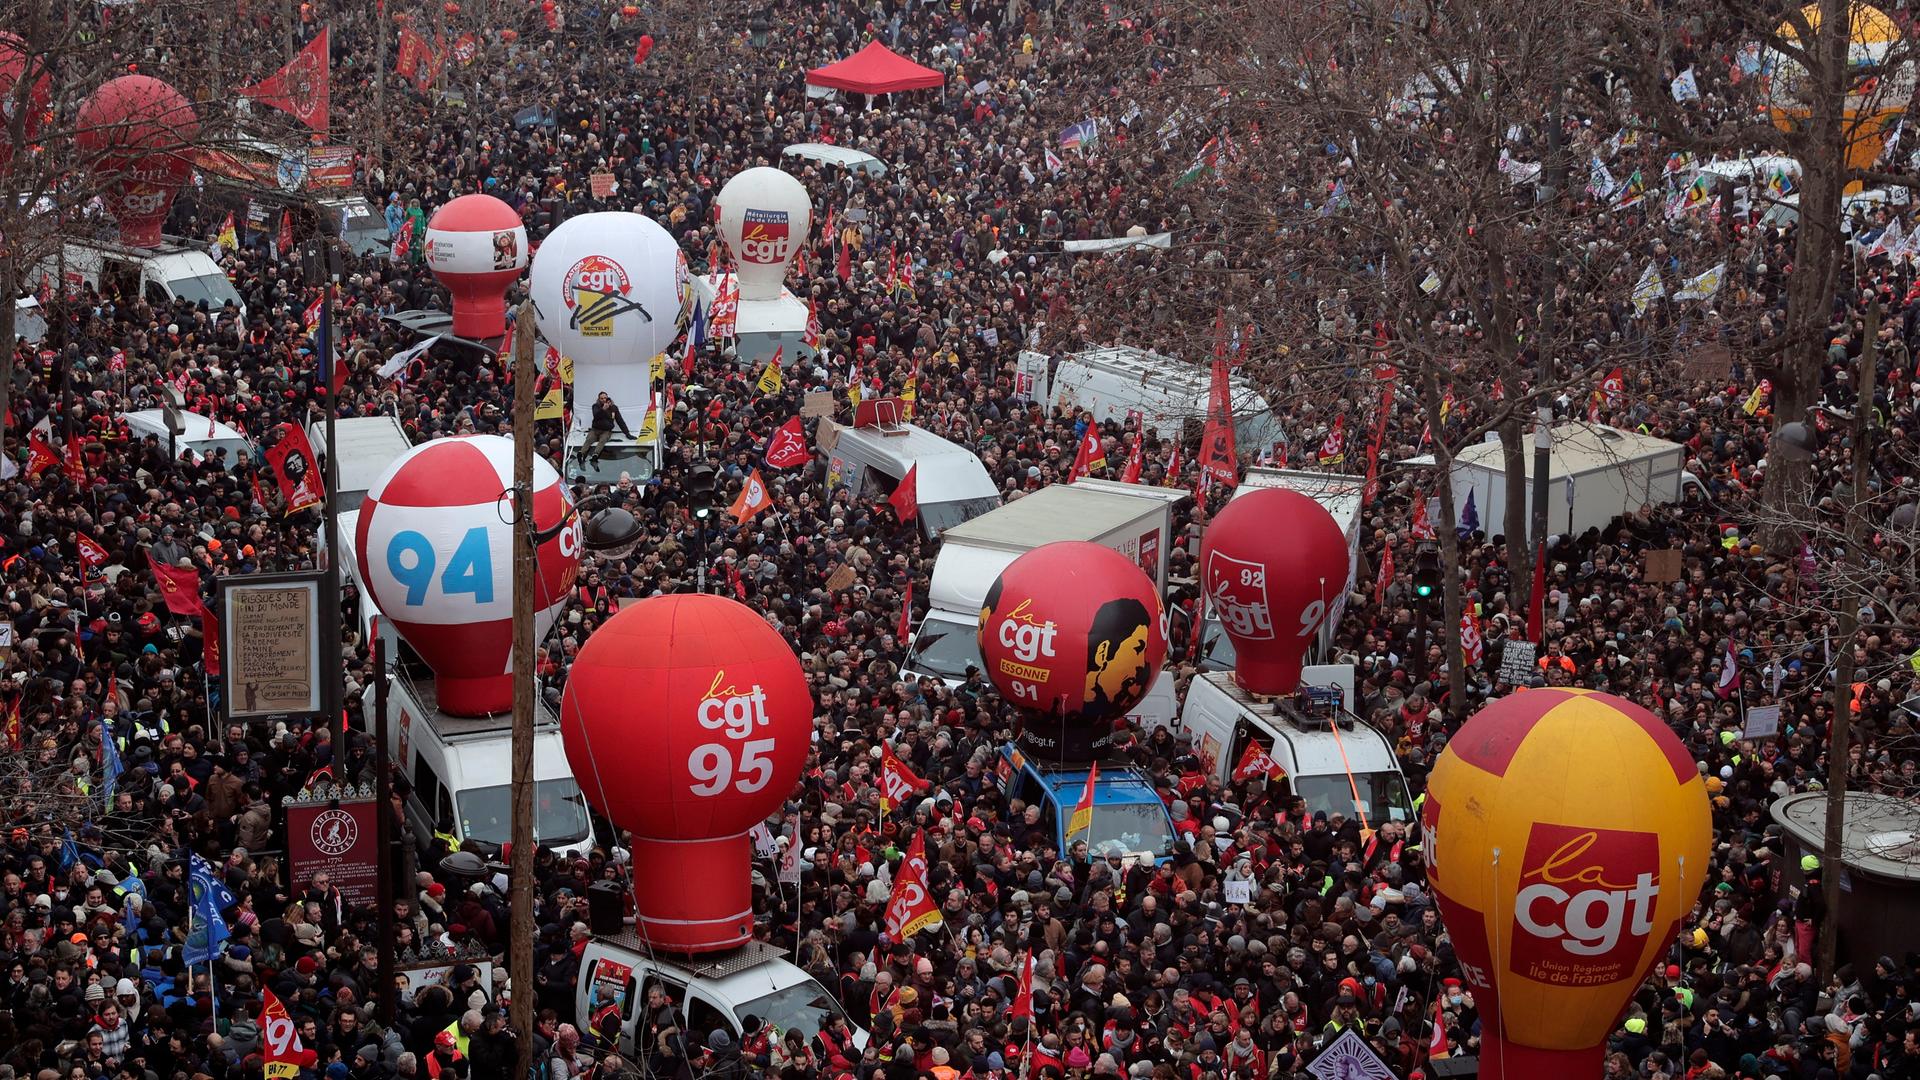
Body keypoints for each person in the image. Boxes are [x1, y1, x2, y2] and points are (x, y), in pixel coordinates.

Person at [583, 391, 632, 466]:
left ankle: (595, 455)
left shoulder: (614, 408)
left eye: (605, 398)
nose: (603, 400)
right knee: (589, 440)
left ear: (608, 398)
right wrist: (603, 409)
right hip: (596, 429)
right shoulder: (595, 406)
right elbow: (596, 416)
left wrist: (627, 433)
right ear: (599, 399)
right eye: (601, 398)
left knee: (603, 440)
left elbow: (620, 420)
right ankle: (582, 454)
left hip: (607, 430)